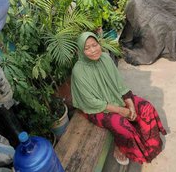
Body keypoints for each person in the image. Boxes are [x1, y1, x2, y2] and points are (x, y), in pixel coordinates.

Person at [71, 32, 167, 165]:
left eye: (95, 45)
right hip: (97, 108)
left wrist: (130, 105)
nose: (93, 50)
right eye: (87, 48)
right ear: (81, 51)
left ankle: (150, 145)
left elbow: (119, 84)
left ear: (99, 44)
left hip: (116, 97)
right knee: (123, 126)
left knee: (146, 108)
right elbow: (90, 101)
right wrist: (121, 110)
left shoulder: (105, 58)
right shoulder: (79, 70)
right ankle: (120, 149)